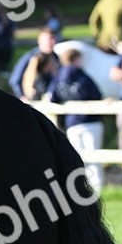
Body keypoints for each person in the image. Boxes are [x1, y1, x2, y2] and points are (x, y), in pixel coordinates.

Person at [50, 48, 104, 192]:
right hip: (90, 121)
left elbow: (52, 97)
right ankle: (97, 190)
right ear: (76, 60)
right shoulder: (82, 76)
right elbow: (97, 94)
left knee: (76, 159)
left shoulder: (58, 78)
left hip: (72, 122)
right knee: (94, 158)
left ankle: (79, 191)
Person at [8, 27, 58, 99]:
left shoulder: (55, 57)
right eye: (49, 39)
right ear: (40, 41)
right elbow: (14, 80)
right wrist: (22, 96)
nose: (52, 42)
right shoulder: (30, 57)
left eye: (53, 39)